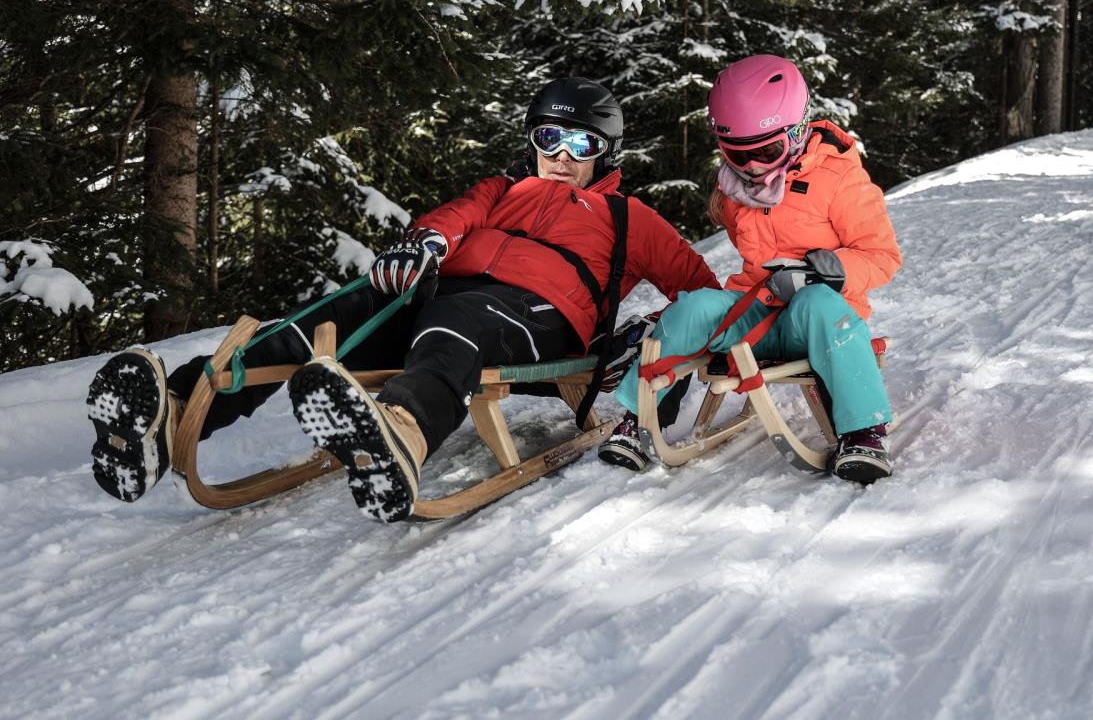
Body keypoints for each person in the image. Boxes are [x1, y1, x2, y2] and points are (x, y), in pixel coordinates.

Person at [86, 77, 720, 522]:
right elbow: (451, 217)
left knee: (456, 322)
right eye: (548, 137)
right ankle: (174, 411)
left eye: (579, 144)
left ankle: (403, 433)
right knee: (333, 319)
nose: (559, 156)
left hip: (540, 320)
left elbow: (703, 294)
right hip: (448, 295)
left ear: (604, 153)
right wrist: (424, 245)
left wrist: (648, 334)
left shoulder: (629, 217)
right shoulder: (503, 188)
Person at [603, 54, 902, 484]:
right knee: (694, 307)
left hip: (815, 317)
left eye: (766, 151)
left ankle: (863, 430)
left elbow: (883, 256)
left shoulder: (840, 181)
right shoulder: (734, 189)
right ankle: (640, 417)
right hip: (757, 312)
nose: (752, 166)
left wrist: (833, 270)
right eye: (735, 154)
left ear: (797, 131)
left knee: (818, 301)